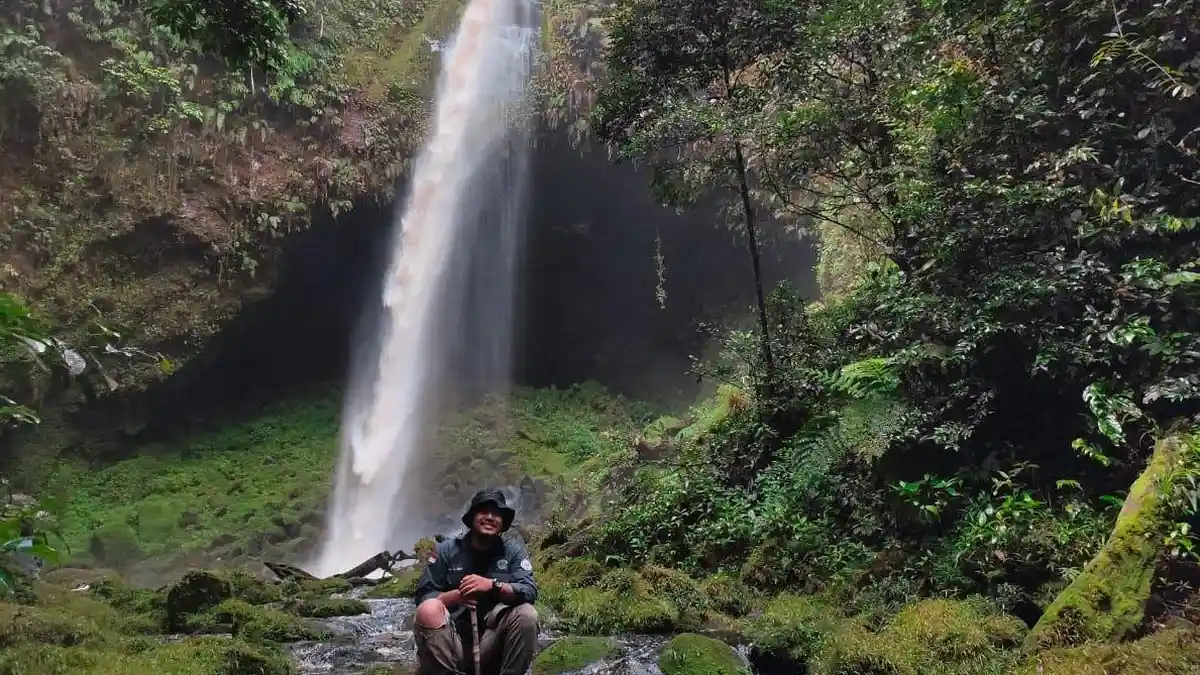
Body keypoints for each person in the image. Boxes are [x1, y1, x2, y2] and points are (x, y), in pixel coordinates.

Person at [413, 489, 539, 675]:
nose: (490, 517)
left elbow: (529, 590)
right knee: (429, 609)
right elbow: (423, 595)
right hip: (451, 642)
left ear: (503, 522)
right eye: (483, 511)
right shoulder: (445, 550)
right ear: (471, 518)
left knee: (527, 614)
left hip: (493, 643)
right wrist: (456, 597)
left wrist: (492, 586)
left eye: (496, 513)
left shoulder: (513, 552)